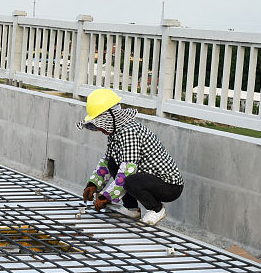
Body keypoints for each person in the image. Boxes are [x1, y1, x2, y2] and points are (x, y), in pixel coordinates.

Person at [78, 88, 184, 226]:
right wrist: (93, 185)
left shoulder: (130, 132)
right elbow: (107, 162)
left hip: (169, 185)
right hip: (147, 178)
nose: (100, 130)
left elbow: (128, 170)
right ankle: (131, 208)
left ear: (111, 118)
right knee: (112, 162)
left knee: (131, 180)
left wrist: (106, 197)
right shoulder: (116, 132)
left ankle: (157, 209)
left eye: (100, 125)